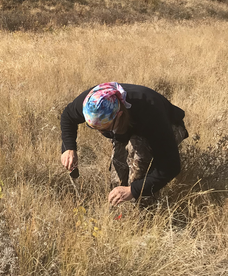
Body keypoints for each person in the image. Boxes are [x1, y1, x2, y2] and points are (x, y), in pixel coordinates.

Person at [60, 82, 188, 207]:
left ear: (119, 114)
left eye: (104, 128)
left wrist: (133, 190)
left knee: (138, 155)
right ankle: (121, 210)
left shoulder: (150, 113)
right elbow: (68, 116)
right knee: (119, 168)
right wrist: (69, 147)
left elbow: (171, 166)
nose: (100, 132)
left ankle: (144, 209)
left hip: (170, 126)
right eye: (94, 127)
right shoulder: (92, 102)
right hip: (127, 127)